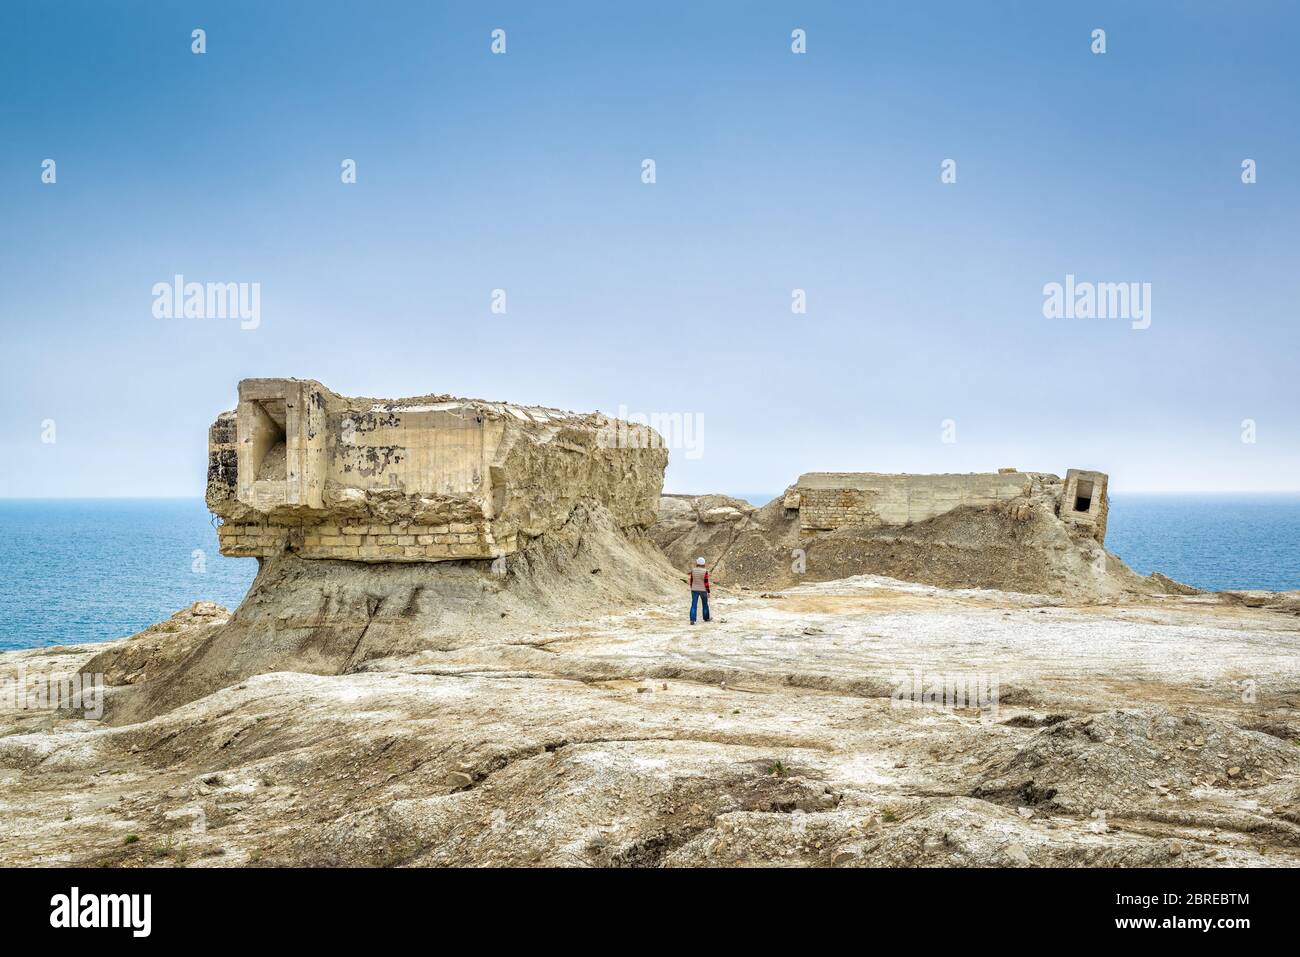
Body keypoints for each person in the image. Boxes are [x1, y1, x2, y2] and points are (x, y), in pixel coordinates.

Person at [687, 556, 711, 624]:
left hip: (694, 590)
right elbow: (706, 583)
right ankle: (706, 618)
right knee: (705, 604)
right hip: (703, 590)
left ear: (697, 563)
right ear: (703, 564)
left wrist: (692, 587)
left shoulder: (693, 570)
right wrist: (708, 592)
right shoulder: (705, 571)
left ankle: (692, 620)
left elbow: (691, 580)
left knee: (694, 604)